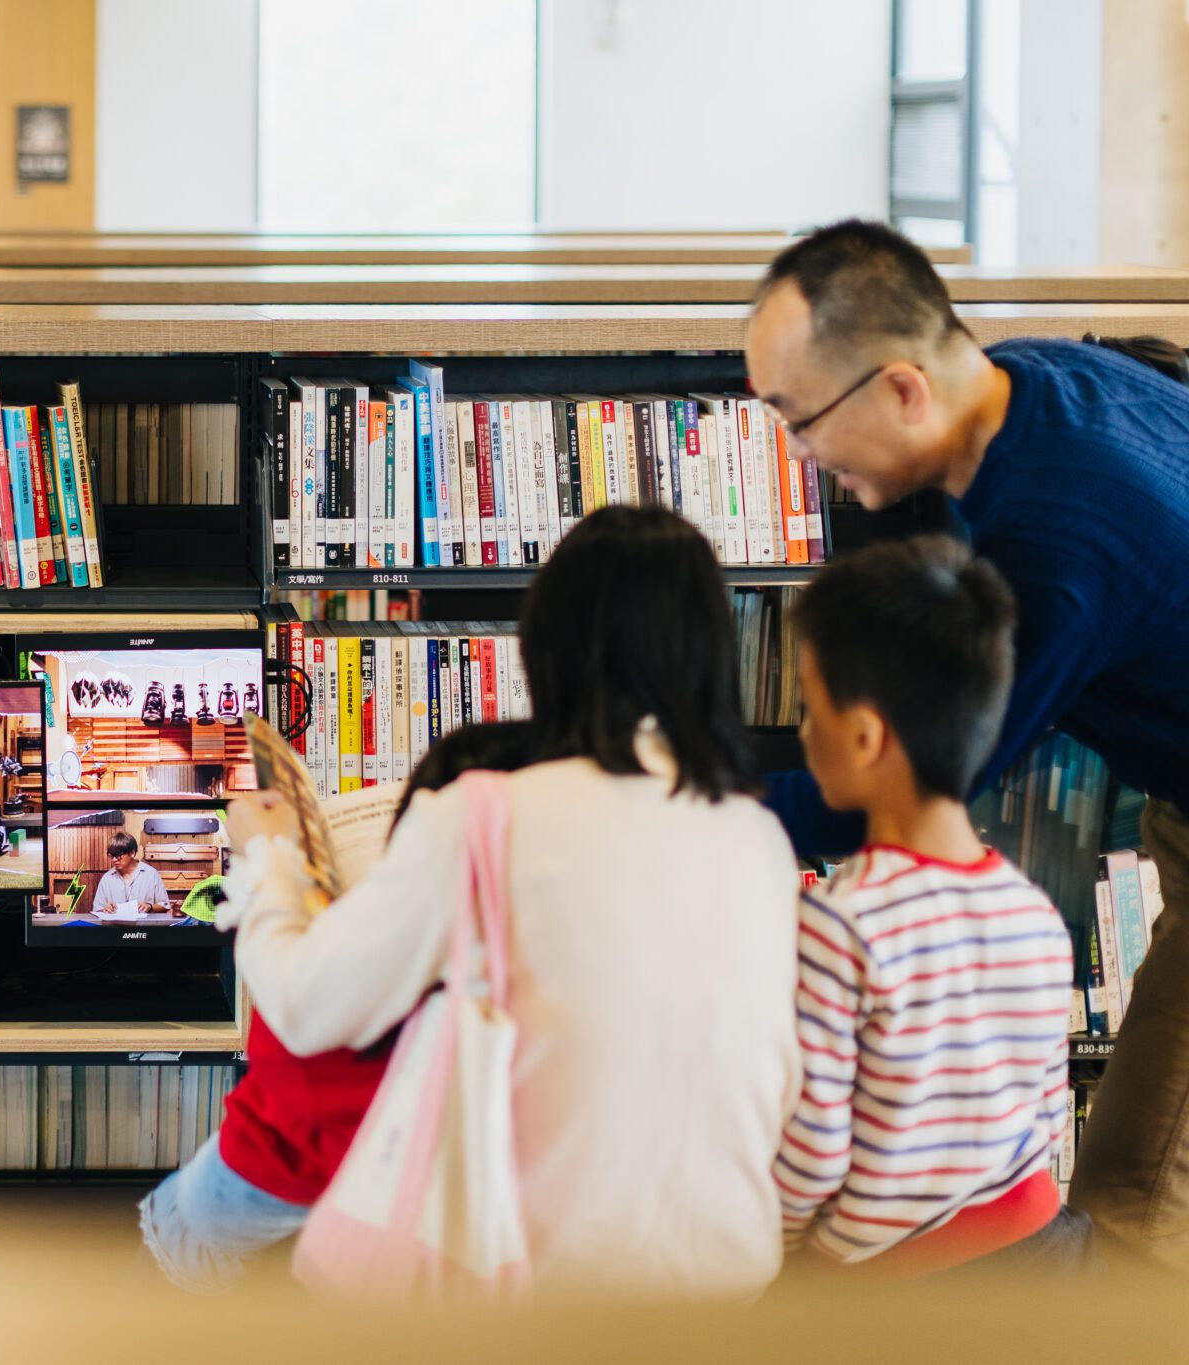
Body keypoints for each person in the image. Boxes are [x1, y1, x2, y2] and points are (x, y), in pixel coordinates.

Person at [745, 220, 1189, 1269]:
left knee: (1137, 1193)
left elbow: (904, 783)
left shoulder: (1059, 536)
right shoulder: (1024, 384)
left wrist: (690, 812)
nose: (798, 453)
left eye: (799, 418)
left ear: (903, 389)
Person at [224, 506, 802, 1298]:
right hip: (731, 1290)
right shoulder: (759, 838)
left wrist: (270, 859)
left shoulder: (481, 815)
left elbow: (305, 1003)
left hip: (536, 1291)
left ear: (546, 647)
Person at [774, 536, 1088, 1275]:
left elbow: (813, 1154)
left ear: (862, 736)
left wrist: (778, 1259)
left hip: (901, 1284)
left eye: (808, 709)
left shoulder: (841, 921)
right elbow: (1049, 1116)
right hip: (1043, 1253)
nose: (802, 732)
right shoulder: (1034, 911)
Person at [137, 721, 533, 1294]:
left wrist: (270, 869)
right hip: (448, 1201)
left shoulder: (346, 1000)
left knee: (175, 1224)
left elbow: (287, 1050)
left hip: (298, 1179)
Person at [93, 832, 169, 916]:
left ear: (132, 853)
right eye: (111, 856)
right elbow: (97, 909)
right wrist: (105, 908)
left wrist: (150, 907)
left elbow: (165, 906)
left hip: (143, 924)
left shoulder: (151, 874)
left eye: (118, 855)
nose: (114, 859)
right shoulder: (107, 878)